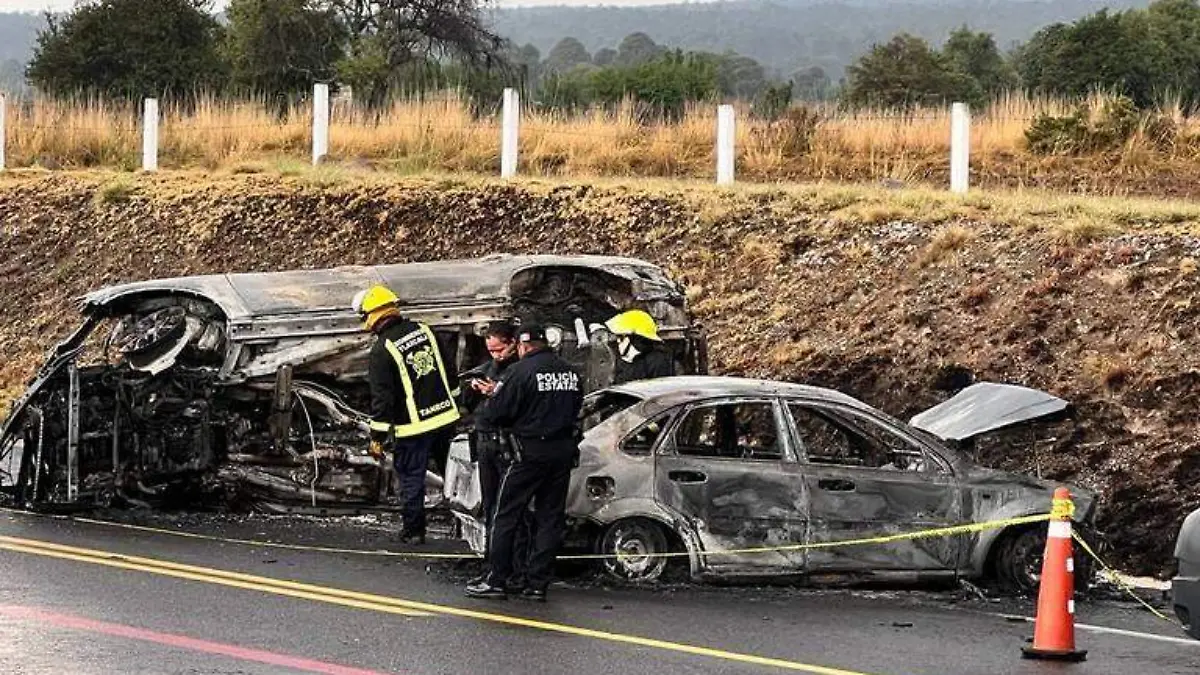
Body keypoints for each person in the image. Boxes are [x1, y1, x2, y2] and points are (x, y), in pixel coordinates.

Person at [464, 323, 584, 602]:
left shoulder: (520, 371)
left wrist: (493, 394)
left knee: (505, 514)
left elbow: (496, 414)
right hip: (562, 452)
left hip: (527, 453)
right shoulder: (570, 372)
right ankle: (537, 583)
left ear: (521, 346)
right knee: (549, 517)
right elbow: (577, 407)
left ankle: (496, 579)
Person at [352, 284, 461, 545]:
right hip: (445, 418)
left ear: (372, 315)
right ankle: (466, 522)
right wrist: (457, 403)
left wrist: (377, 437)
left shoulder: (382, 350)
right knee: (455, 474)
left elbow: (383, 399)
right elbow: (448, 369)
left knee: (412, 478)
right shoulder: (425, 330)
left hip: (413, 428)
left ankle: (414, 531)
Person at [459, 321, 533, 587]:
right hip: (486, 442)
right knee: (491, 509)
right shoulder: (489, 368)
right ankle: (494, 566)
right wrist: (472, 391)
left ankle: (516, 570)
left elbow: (516, 408)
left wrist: (496, 393)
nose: (496, 355)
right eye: (491, 350)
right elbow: (468, 406)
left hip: (508, 445)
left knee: (511, 510)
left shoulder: (519, 371)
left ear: (514, 344)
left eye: (500, 349)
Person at [605, 309, 675, 384]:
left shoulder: (657, 361)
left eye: (621, 337)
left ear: (635, 339)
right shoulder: (623, 362)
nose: (618, 341)